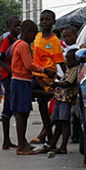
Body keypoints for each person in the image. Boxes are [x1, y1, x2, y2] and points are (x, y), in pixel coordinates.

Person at [9, 20, 56, 155]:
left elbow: (23, 66)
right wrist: (44, 71)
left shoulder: (16, 44)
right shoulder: (23, 45)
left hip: (20, 80)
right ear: (27, 32)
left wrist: (35, 76)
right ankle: (21, 146)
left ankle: (23, 143)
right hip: (21, 81)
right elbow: (29, 65)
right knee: (22, 114)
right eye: (34, 35)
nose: (34, 38)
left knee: (23, 113)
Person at [31, 10, 66, 145]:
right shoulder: (38, 36)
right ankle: (49, 139)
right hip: (36, 73)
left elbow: (60, 61)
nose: (45, 22)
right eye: (42, 19)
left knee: (28, 90)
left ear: (53, 22)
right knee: (42, 108)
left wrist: (67, 76)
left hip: (47, 75)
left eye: (48, 20)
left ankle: (53, 94)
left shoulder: (54, 41)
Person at [40, 49, 79, 155]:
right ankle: (53, 145)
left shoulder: (74, 70)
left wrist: (56, 84)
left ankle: (63, 147)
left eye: (69, 60)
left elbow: (68, 83)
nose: (66, 62)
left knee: (64, 122)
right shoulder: (69, 69)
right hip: (59, 98)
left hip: (65, 100)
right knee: (57, 122)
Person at [0, 15, 21, 150]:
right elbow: (0, 59)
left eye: (19, 25)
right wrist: (11, 71)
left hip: (13, 76)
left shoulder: (17, 40)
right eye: (15, 26)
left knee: (8, 106)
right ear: (8, 27)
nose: (18, 27)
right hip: (9, 77)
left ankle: (7, 141)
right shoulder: (8, 40)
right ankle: (18, 141)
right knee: (15, 106)